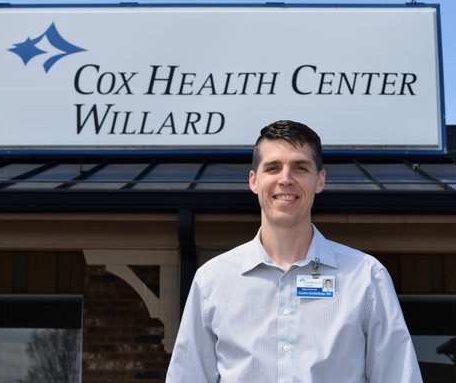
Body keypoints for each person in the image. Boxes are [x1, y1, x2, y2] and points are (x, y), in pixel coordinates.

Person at [166, 120, 422, 382]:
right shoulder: (212, 281)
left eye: (300, 168)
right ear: (253, 181)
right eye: (273, 168)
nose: (285, 179)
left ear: (319, 181)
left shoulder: (367, 277)